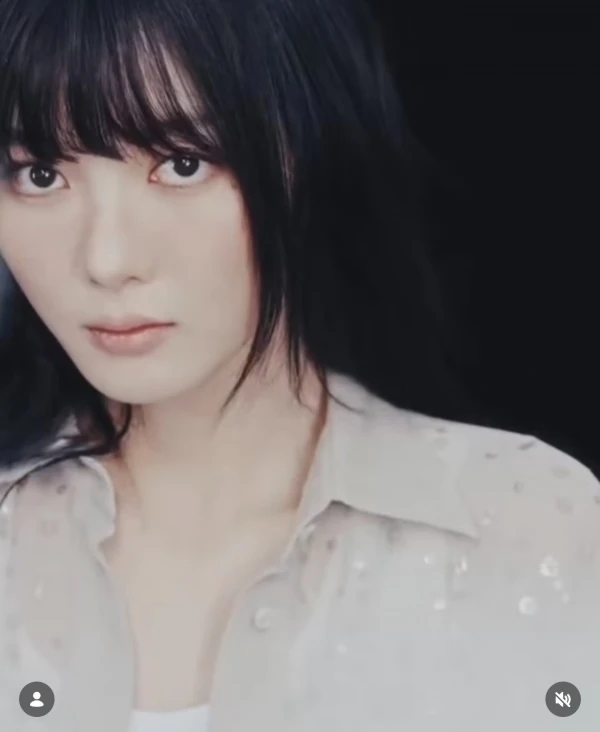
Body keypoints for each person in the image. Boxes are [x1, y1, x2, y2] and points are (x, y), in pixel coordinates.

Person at [0, 0, 599, 730]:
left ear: (306, 157)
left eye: (182, 164)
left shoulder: (526, 525)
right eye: (39, 175)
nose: (106, 259)